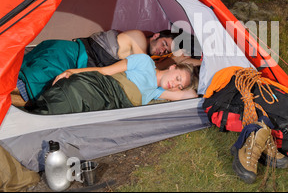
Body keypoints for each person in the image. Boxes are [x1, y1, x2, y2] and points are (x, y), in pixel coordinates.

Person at [17, 29, 201, 101]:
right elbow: (148, 71)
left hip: (79, 63)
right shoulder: (138, 38)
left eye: (165, 50)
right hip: (71, 54)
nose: (162, 50)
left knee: (46, 90)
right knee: (33, 81)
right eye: (164, 44)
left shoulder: (149, 61)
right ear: (156, 35)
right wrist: (177, 61)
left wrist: (192, 62)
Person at [25, 53, 199, 115]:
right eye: (177, 78)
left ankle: (36, 117)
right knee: (73, 91)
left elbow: (191, 95)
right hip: (102, 85)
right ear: (172, 67)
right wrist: (71, 72)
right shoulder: (144, 61)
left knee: (78, 109)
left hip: (112, 103)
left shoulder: (157, 91)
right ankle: (35, 114)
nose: (175, 85)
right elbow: (104, 71)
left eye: (179, 85)